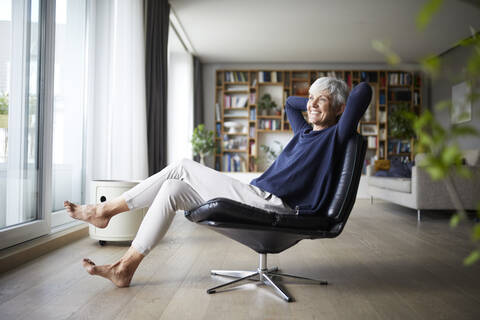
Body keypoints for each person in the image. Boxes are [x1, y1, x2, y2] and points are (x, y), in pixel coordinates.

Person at [64, 77, 372, 287]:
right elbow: (293, 105)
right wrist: (317, 95)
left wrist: (329, 94)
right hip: (258, 194)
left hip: (277, 203)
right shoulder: (303, 131)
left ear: (341, 110)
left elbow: (362, 93)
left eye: (323, 101)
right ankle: (125, 268)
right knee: (173, 188)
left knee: (183, 165)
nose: (312, 105)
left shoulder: (338, 135)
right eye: (311, 99)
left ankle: (104, 212)